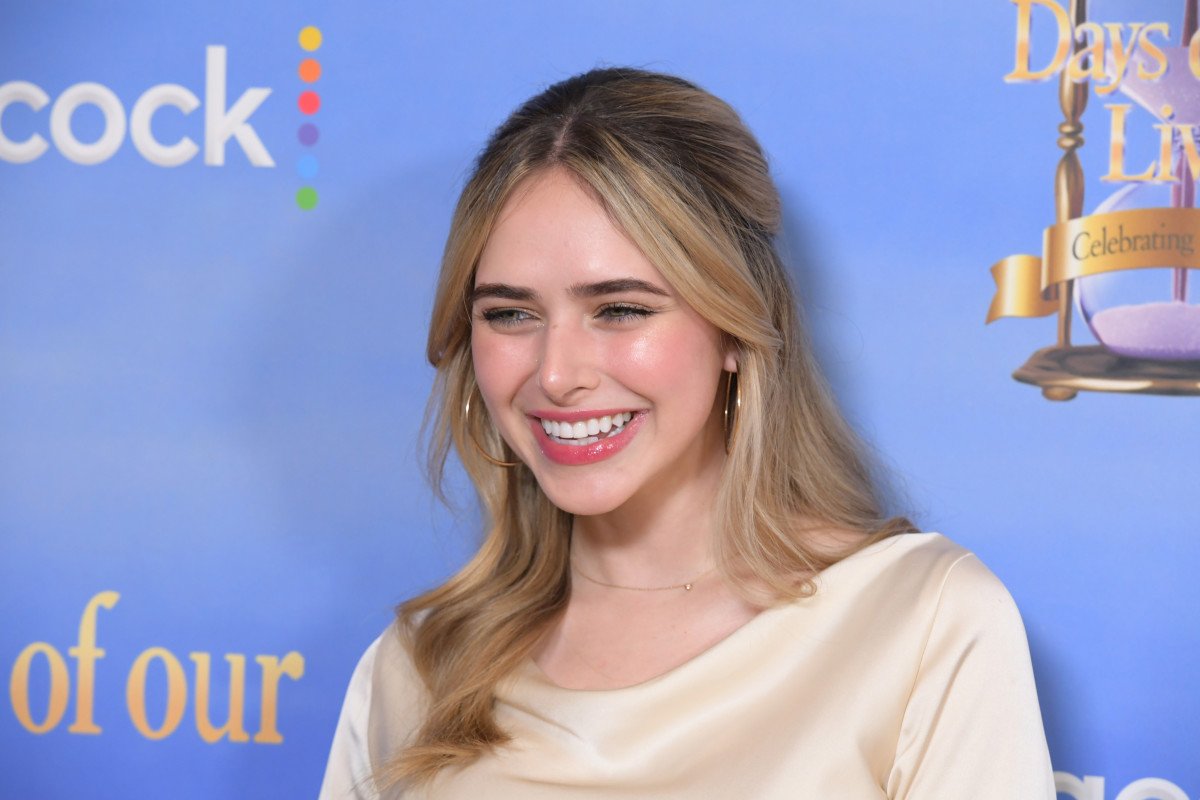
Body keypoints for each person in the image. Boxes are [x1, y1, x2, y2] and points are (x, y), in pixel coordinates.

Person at [318, 67, 1055, 799]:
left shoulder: (921, 626)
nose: (555, 373)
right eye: (510, 314)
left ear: (734, 324)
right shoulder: (416, 670)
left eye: (621, 310)